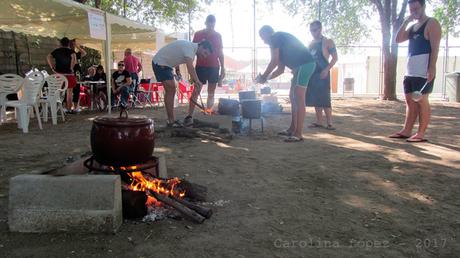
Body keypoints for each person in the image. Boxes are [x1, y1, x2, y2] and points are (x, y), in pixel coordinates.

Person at [390, 0, 441, 142]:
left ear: (423, 6)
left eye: (416, 9)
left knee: (422, 100)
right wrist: (406, 21)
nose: (414, 12)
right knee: (409, 101)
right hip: (410, 70)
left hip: (423, 71)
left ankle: (421, 133)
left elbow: (435, 48)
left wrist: (432, 67)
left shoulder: (432, 23)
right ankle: (406, 131)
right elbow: (398, 39)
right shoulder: (412, 27)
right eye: (411, 10)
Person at [257, 25, 316, 142]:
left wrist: (263, 76)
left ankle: (298, 134)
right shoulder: (278, 43)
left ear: (268, 33)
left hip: (305, 65)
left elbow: (274, 61)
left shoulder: (275, 37)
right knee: (292, 97)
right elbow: (280, 69)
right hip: (300, 67)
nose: (263, 41)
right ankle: (292, 129)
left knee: (299, 98)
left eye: (262, 37)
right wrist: (267, 77)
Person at [152, 40, 213, 127]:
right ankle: (171, 121)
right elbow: (190, 67)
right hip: (160, 63)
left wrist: (179, 71)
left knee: (171, 90)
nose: (204, 56)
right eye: (205, 53)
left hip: (166, 65)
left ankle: (171, 120)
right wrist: (197, 81)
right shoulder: (190, 49)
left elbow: (175, 55)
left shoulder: (190, 49)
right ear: (201, 46)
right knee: (171, 90)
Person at [184, 15, 225, 126]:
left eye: (213, 24)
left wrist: (223, 68)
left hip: (214, 67)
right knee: (196, 90)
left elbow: (220, 53)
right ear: (205, 23)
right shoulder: (198, 34)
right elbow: (192, 50)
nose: (211, 26)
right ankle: (189, 116)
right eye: (209, 24)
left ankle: (208, 112)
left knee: (211, 93)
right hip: (200, 66)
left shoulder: (218, 36)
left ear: (214, 24)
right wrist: (191, 71)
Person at [305, 20, 338, 130]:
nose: (313, 32)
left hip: (323, 73)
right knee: (315, 98)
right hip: (312, 74)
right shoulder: (310, 43)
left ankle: (329, 123)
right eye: (311, 30)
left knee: (325, 99)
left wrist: (326, 70)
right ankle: (319, 121)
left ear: (320, 29)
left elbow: (335, 58)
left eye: (315, 30)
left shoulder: (328, 42)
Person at [47, 37, 77, 113]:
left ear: (60, 43)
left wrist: (52, 67)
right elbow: (74, 59)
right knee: (69, 93)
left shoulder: (56, 51)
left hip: (59, 74)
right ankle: (69, 109)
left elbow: (48, 57)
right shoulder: (71, 51)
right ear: (68, 43)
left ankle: (56, 109)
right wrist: (71, 67)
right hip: (69, 74)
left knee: (58, 92)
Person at [70, 39, 87, 113]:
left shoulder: (76, 54)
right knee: (70, 90)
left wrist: (77, 46)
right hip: (71, 73)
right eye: (72, 44)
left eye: (73, 44)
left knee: (76, 90)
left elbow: (84, 53)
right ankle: (68, 106)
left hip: (77, 74)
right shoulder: (68, 54)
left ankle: (75, 107)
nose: (73, 46)